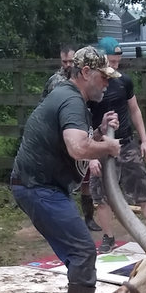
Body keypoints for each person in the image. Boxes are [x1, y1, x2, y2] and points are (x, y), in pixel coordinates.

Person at [9, 46, 121, 293]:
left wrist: (98, 134)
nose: (107, 83)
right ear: (85, 73)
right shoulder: (71, 100)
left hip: (41, 185)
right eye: (103, 76)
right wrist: (108, 146)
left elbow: (79, 142)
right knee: (83, 249)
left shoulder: (71, 99)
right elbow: (77, 148)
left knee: (78, 252)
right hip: (38, 187)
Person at [87, 36, 146, 254]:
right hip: (100, 146)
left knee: (143, 192)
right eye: (112, 62)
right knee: (101, 196)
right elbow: (82, 122)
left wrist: (144, 140)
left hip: (126, 144)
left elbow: (135, 110)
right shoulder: (90, 88)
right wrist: (90, 156)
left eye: (118, 62)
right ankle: (108, 238)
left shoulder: (124, 81)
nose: (116, 66)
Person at [43, 43, 100, 232]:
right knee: (60, 180)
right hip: (62, 136)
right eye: (64, 61)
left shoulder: (86, 80)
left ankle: (89, 218)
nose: (67, 64)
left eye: (70, 61)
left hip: (83, 128)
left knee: (85, 177)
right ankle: (60, 221)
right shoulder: (56, 81)